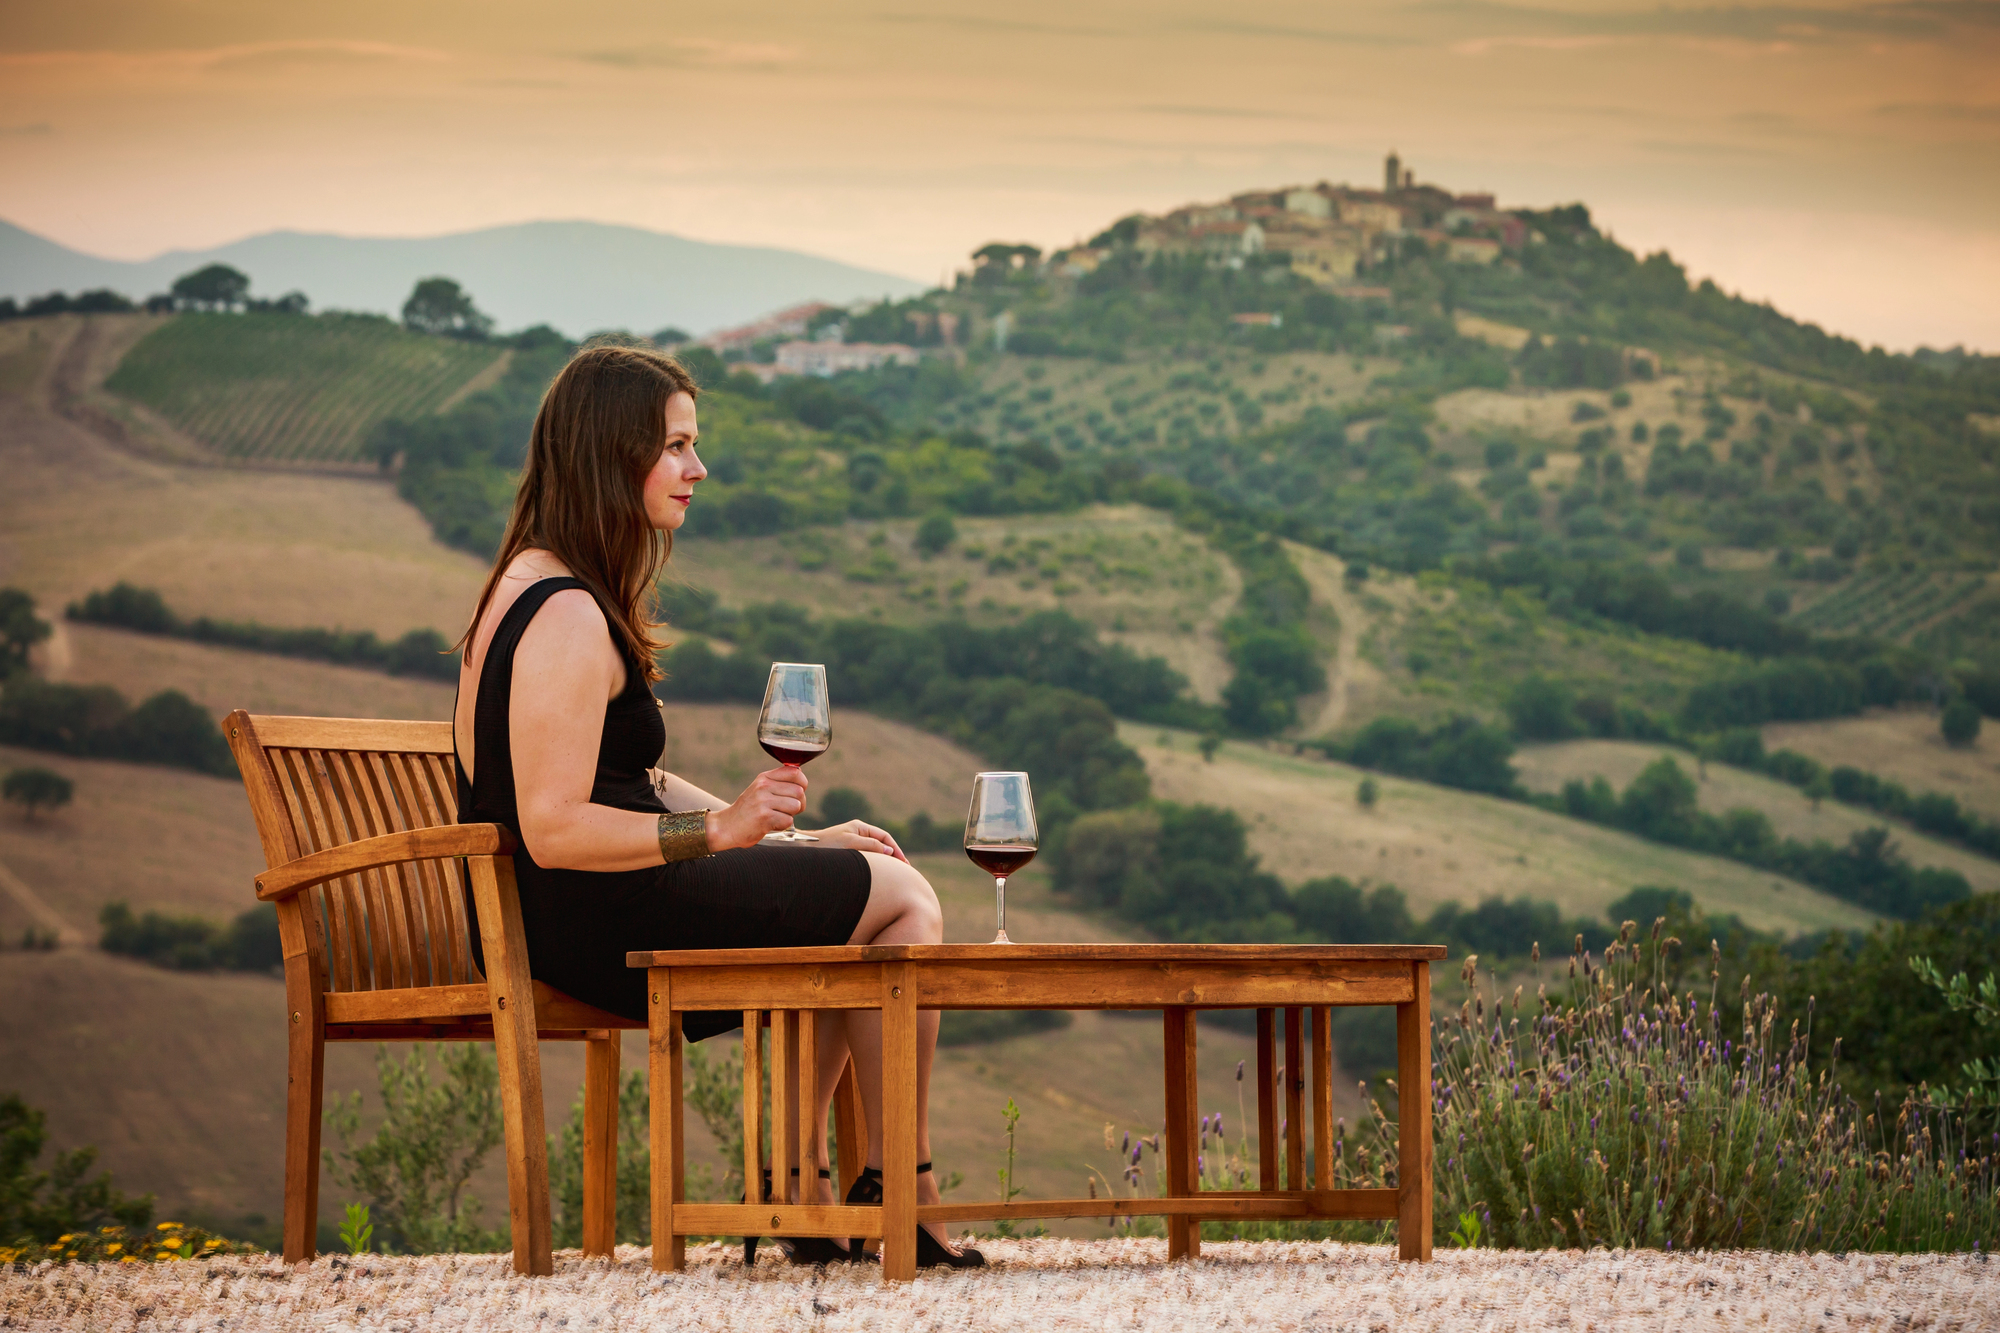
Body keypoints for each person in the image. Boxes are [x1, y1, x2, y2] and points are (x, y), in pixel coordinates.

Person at [451, 343, 978, 1268]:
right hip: (594, 917)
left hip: (584, 904)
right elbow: (551, 823)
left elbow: (631, 783)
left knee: (856, 886)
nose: (697, 469)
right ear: (612, 455)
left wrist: (793, 836)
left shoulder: (526, 587)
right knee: (902, 897)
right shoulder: (568, 614)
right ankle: (901, 1189)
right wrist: (722, 831)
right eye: (676, 447)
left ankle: (799, 1188)